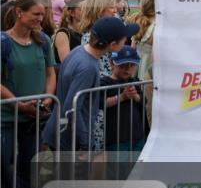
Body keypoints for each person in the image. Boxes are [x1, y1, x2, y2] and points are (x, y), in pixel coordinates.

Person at [1, 0, 56, 188]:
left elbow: (50, 72)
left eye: (42, 14)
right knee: (4, 173)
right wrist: (17, 104)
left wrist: (46, 99)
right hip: (7, 120)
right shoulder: (3, 43)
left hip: (35, 119)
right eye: (35, 14)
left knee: (29, 170)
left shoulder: (42, 40)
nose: (40, 18)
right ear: (19, 13)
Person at [42, 16, 137, 153]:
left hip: (61, 131)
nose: (126, 42)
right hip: (71, 139)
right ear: (112, 44)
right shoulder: (88, 67)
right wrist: (86, 143)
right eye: (123, 39)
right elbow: (73, 107)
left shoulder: (78, 50)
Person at [101, 46, 148, 154]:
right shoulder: (105, 83)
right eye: (123, 65)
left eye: (132, 65)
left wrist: (134, 95)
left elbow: (143, 100)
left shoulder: (135, 81)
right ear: (112, 63)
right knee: (118, 169)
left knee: (137, 168)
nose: (127, 69)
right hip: (116, 138)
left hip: (137, 135)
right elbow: (100, 103)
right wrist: (122, 97)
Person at [78, 0, 118, 78]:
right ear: (99, 11)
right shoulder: (92, 37)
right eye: (111, 7)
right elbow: (101, 71)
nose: (115, 11)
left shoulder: (103, 32)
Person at [53, 0, 87, 65]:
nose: (86, 12)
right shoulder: (63, 34)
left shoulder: (87, 32)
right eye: (82, 9)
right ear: (72, 13)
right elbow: (67, 64)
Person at [130, 0, 155, 83]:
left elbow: (133, 48)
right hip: (149, 70)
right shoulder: (157, 26)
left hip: (137, 67)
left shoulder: (138, 20)